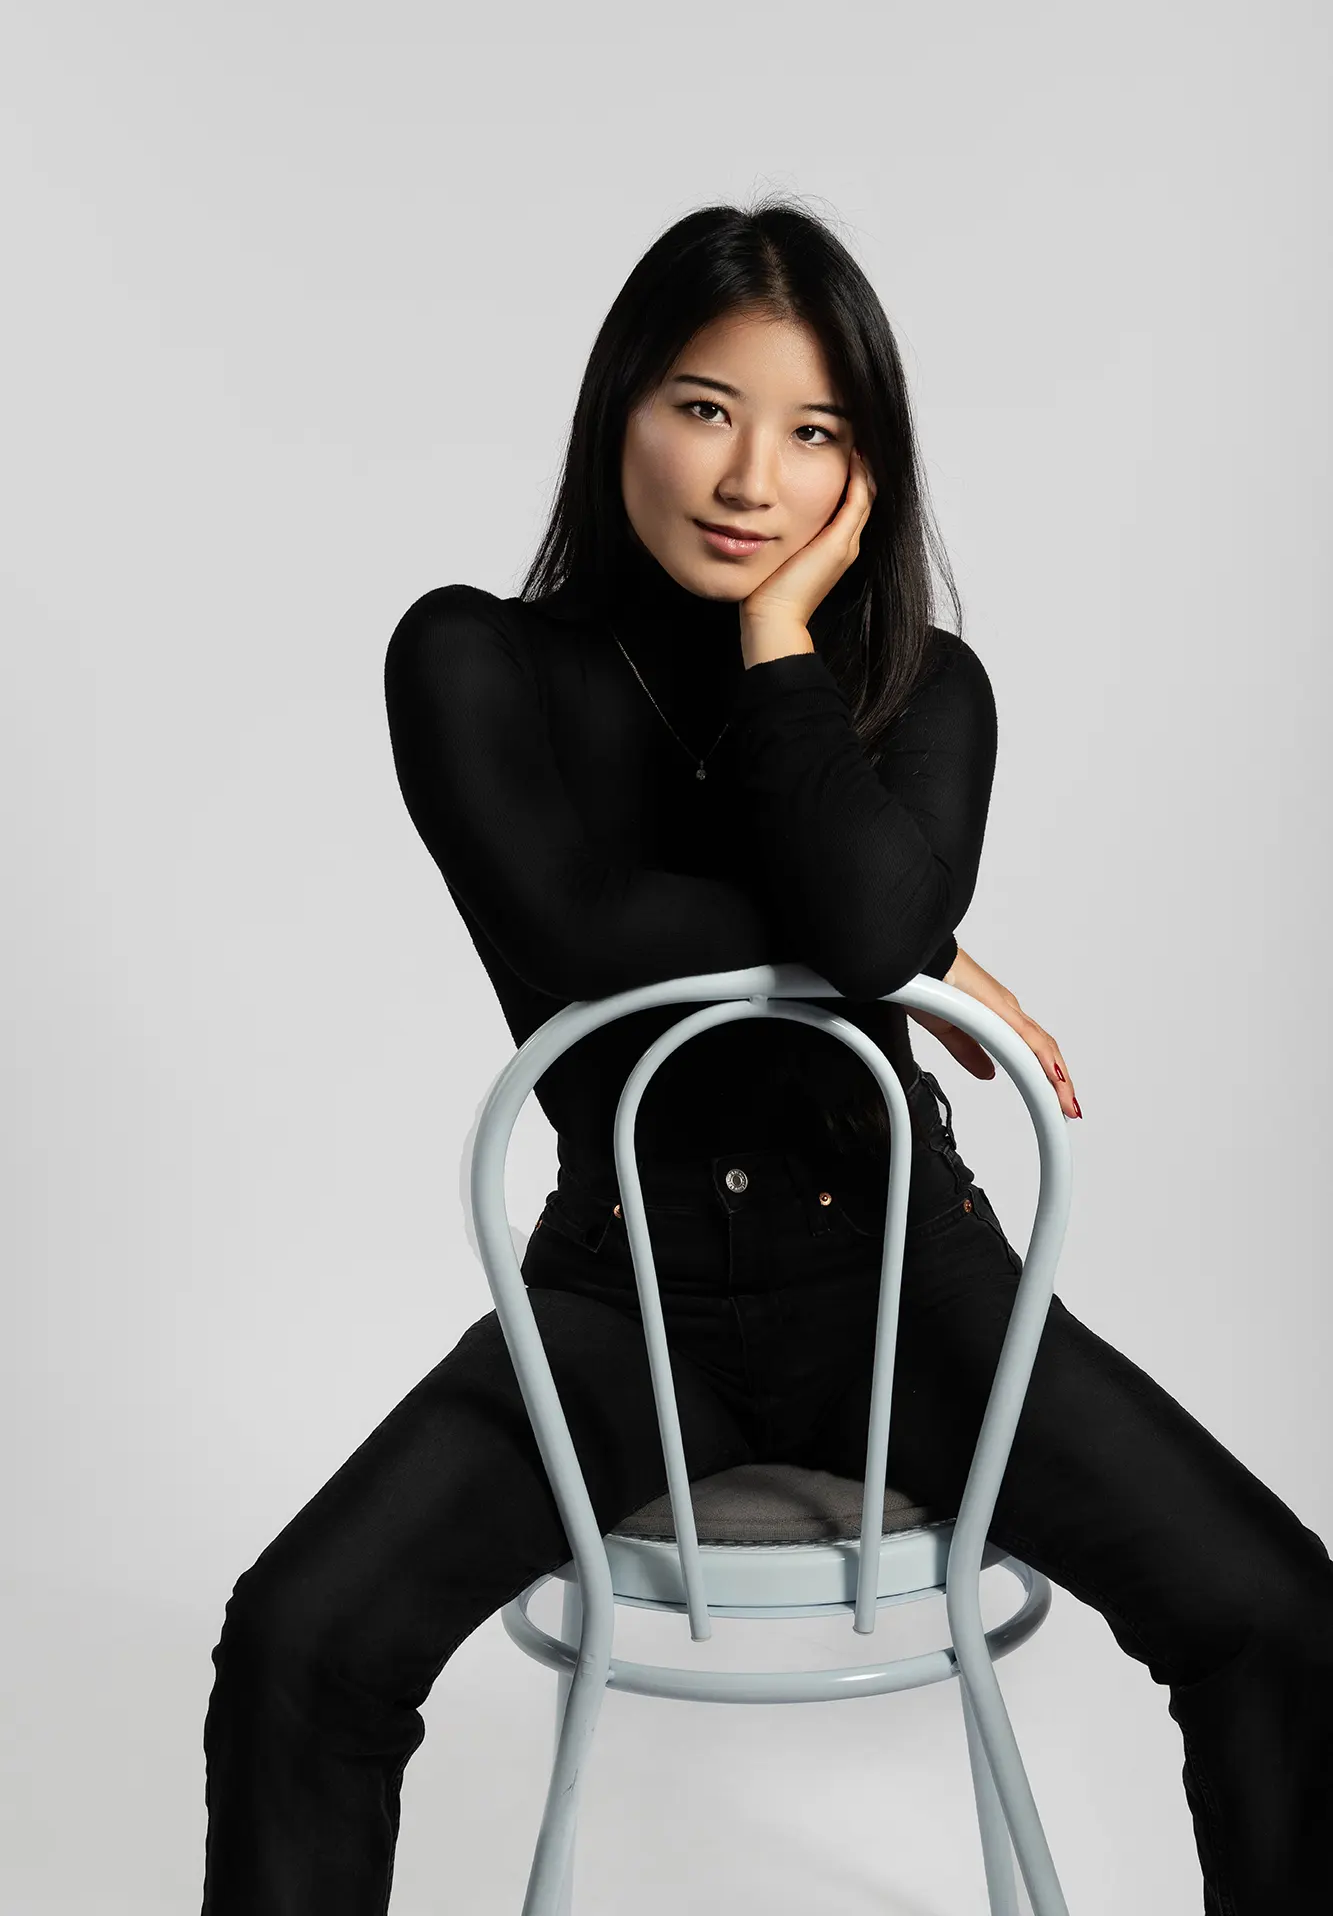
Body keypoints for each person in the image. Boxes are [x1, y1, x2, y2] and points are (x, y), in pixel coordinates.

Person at [198, 199, 1333, 1915]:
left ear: (866, 471)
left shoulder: (924, 689)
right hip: (621, 1298)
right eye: (705, 407)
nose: (751, 480)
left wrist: (784, 649)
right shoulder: (472, 659)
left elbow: (866, 927)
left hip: (910, 1280)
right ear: (620, 410)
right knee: (298, 1647)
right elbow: (579, 932)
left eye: (815, 435)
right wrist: (919, 943)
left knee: (1279, 1616)